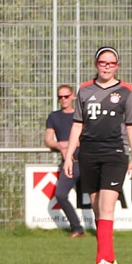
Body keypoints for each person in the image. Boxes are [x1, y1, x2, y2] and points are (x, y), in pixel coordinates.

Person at [63, 47, 132, 264]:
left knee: (107, 206)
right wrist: (69, 156)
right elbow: (77, 124)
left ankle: (102, 261)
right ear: (96, 64)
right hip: (88, 153)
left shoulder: (126, 91)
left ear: (117, 66)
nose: (107, 67)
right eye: (103, 62)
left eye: (111, 63)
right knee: (97, 208)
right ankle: (108, 260)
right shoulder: (85, 90)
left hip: (115, 153)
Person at [44, 84, 87, 237]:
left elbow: (87, 137)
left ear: (73, 96)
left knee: (97, 197)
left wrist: (70, 144)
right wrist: (59, 145)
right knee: (61, 195)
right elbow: (48, 140)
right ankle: (77, 228)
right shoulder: (54, 117)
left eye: (66, 96)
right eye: (60, 97)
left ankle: (103, 231)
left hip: (85, 161)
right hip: (70, 163)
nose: (63, 99)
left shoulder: (81, 115)